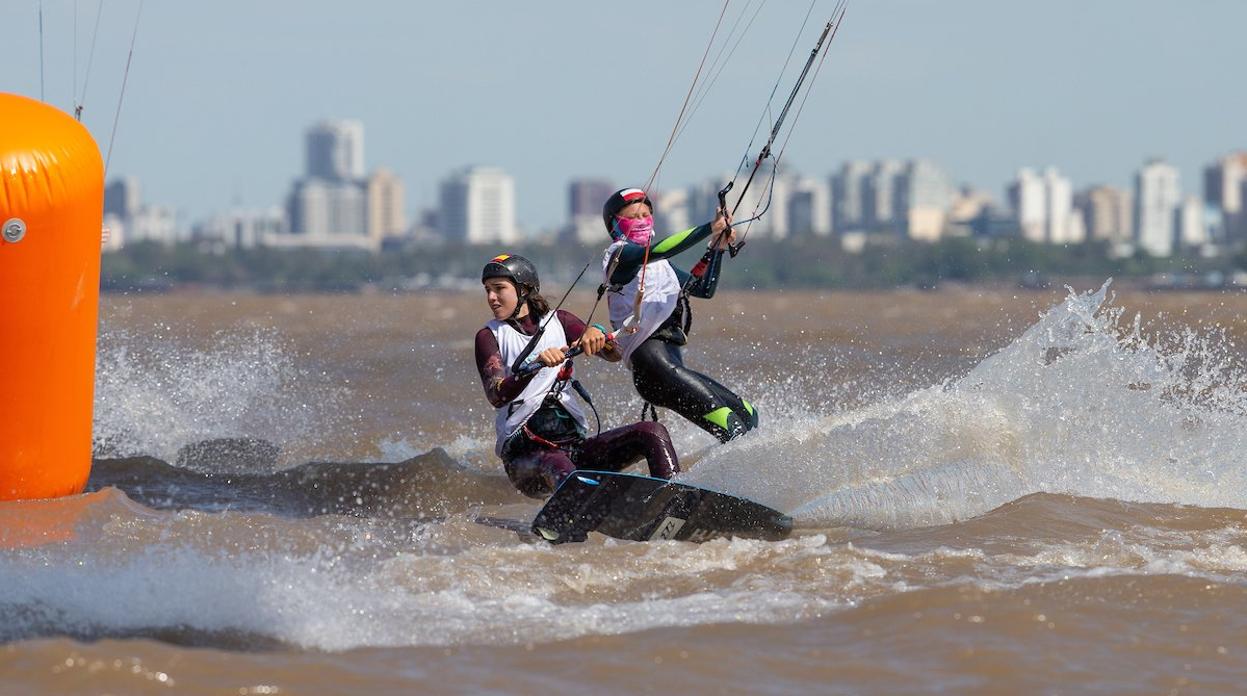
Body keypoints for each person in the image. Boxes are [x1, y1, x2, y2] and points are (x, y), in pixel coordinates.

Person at [475, 253, 680, 498]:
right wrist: (534, 365)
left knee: (651, 432)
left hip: (575, 450)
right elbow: (496, 395)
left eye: (499, 289)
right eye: (488, 290)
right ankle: (576, 518)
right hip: (525, 459)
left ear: (524, 290)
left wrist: (597, 332)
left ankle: (674, 500)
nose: (491, 298)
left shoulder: (560, 321)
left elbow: (613, 354)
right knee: (566, 472)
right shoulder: (489, 336)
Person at [600, 187, 759, 443]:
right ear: (615, 225)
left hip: (671, 365)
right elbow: (661, 249)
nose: (642, 221)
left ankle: (724, 475)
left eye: (645, 215)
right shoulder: (618, 256)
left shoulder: (661, 266)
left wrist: (716, 246)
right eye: (633, 217)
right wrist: (711, 226)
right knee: (732, 426)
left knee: (749, 417)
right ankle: (741, 481)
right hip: (653, 368)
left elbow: (703, 289)